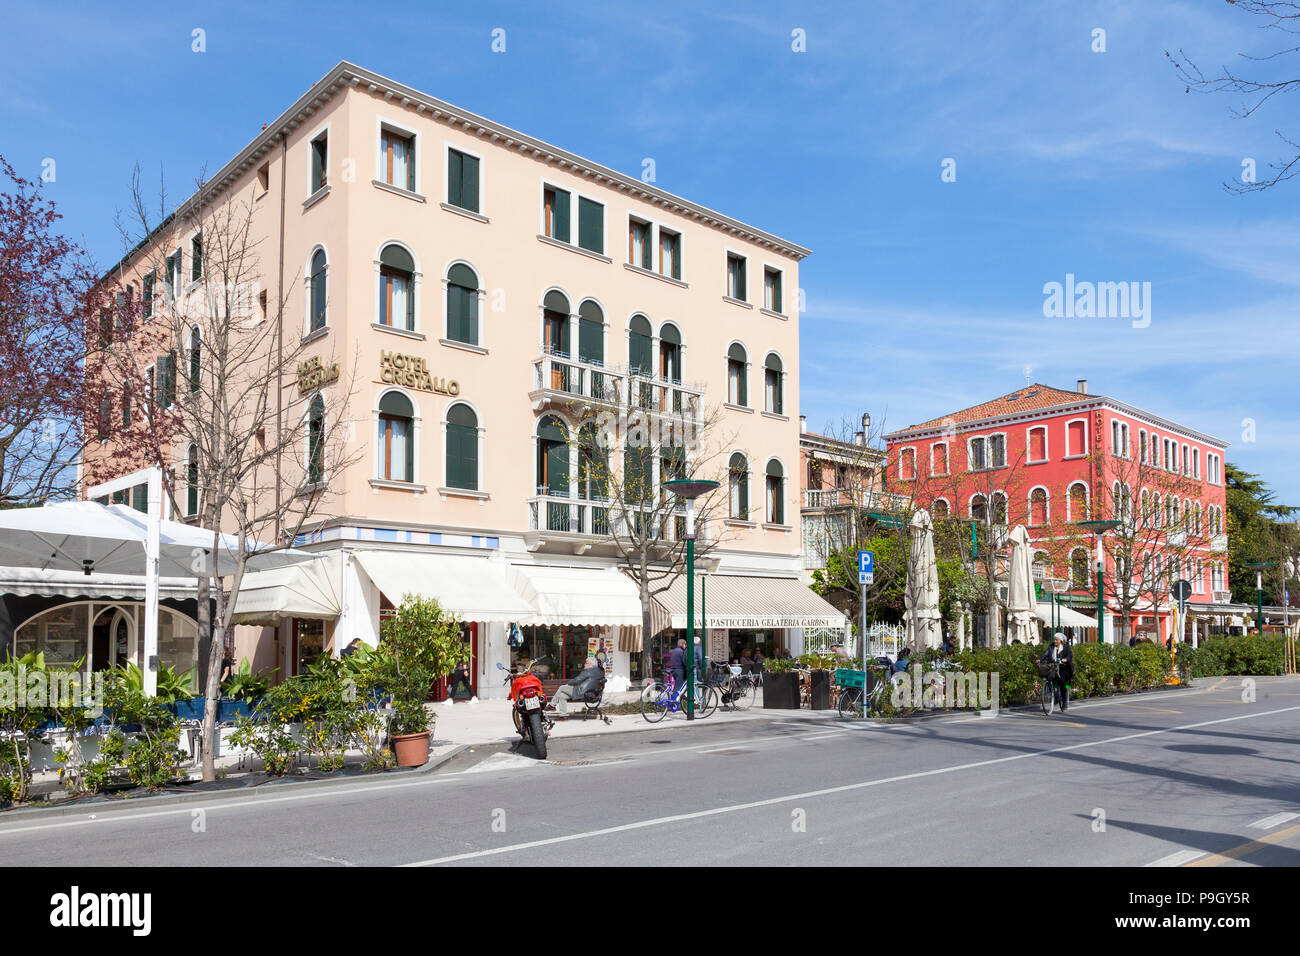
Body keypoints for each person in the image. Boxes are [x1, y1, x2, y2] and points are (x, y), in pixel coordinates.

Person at [1039, 632, 1074, 711]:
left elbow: (1069, 655)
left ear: (1061, 641)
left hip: (1064, 667)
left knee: (1062, 683)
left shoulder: (1066, 647)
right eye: (1054, 640)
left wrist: (1066, 659)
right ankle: (1055, 697)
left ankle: (1064, 701)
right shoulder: (1051, 646)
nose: (1055, 641)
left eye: (1056, 640)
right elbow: (1046, 653)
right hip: (1054, 666)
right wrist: (1040, 659)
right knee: (1051, 680)